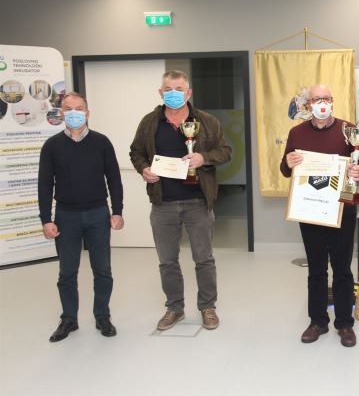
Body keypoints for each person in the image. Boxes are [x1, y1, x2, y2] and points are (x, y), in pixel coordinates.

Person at [129, 70, 231, 331]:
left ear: (188, 93)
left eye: (179, 89)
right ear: (160, 93)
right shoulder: (149, 122)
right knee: (167, 261)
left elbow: (225, 151)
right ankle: (175, 308)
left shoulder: (207, 121)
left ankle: (208, 307)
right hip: (162, 203)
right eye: (168, 89)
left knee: (204, 259)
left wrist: (203, 158)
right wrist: (143, 169)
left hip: (198, 202)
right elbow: (136, 152)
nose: (173, 94)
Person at [280, 84, 359, 347]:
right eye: (316, 99)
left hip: (342, 208)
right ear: (307, 104)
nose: (322, 103)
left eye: (326, 98)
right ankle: (317, 321)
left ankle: (345, 324)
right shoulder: (296, 133)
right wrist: (288, 163)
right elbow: (285, 169)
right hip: (310, 209)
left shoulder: (348, 129)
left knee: (342, 269)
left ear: (332, 101)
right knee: (316, 269)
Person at [38, 92, 124, 342]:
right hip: (66, 216)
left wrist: (117, 211)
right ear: (61, 113)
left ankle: (102, 316)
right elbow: (45, 184)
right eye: (68, 108)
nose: (74, 112)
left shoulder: (102, 142)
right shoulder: (52, 146)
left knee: (103, 269)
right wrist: (46, 219)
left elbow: (114, 179)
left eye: (79, 108)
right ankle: (69, 319)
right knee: (67, 271)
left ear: (87, 112)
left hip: (98, 214)